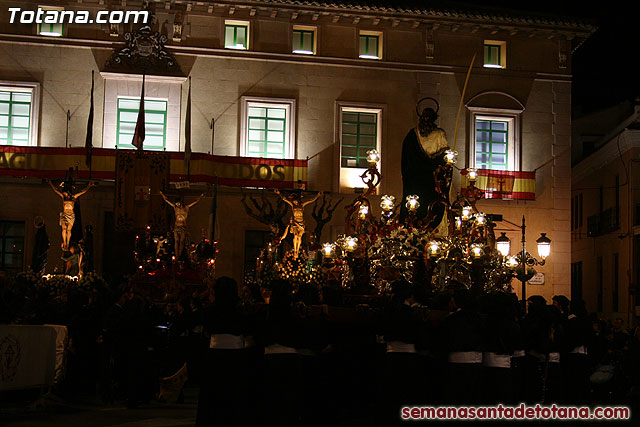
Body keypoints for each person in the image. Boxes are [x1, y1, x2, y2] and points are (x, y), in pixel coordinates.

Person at [399, 99, 450, 228]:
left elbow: (446, 158)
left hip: (432, 179)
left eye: (429, 118)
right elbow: (407, 158)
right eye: (424, 117)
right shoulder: (412, 135)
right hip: (417, 178)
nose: (426, 120)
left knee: (433, 204)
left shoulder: (439, 134)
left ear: (433, 119)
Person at [48, 179, 95, 251]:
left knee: (69, 230)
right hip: (64, 214)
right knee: (64, 229)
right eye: (64, 193)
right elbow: (56, 191)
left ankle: (67, 243)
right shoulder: (63, 197)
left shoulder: (73, 197)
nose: (64, 194)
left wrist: (89, 186)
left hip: (71, 215)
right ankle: (65, 242)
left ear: (68, 192)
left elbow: (82, 192)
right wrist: (50, 183)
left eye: (65, 193)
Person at [274, 189, 322, 259]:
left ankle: (297, 250)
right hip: (295, 223)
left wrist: (317, 196)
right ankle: (295, 251)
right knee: (295, 236)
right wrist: (279, 193)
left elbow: (311, 200)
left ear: (297, 200)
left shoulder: (302, 205)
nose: (294, 201)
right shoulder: (292, 205)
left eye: (295, 200)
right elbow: (285, 199)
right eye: (293, 200)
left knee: (299, 237)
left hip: (301, 223)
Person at [160, 191, 204, 258]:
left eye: (178, 203)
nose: (177, 204)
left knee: (181, 242)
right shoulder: (175, 207)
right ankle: (177, 255)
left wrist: (200, 196)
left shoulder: (186, 207)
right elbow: (166, 200)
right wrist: (162, 194)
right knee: (176, 241)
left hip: (183, 226)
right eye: (176, 204)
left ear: (180, 202)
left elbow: (195, 202)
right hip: (177, 226)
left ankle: (179, 255)